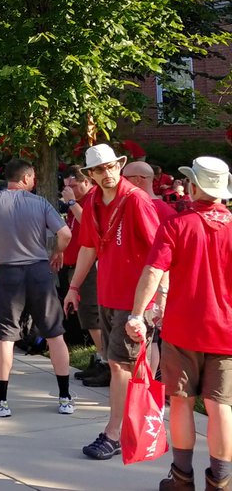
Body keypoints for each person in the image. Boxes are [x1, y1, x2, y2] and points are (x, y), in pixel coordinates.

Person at [126, 156, 232, 491]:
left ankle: (181, 479)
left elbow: (153, 271)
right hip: (227, 332)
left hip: (183, 328)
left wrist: (137, 313)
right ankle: (222, 482)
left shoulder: (177, 225)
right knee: (220, 407)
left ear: (196, 185)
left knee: (182, 402)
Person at [64, 143, 163, 461]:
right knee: (131, 365)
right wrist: (74, 286)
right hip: (107, 295)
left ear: (119, 165)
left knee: (120, 365)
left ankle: (114, 433)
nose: (107, 173)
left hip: (134, 300)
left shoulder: (136, 200)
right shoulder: (92, 200)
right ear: (90, 174)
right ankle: (148, 423)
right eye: (99, 169)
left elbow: (160, 253)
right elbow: (88, 247)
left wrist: (158, 299)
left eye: (111, 166)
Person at [0, 159, 74, 418]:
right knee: (55, 333)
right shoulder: (41, 203)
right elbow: (65, 233)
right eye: (32, 177)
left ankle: (1, 400)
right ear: (26, 178)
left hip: (6, 272)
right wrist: (57, 252)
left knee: (5, 337)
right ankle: (65, 397)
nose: (34, 181)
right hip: (38, 270)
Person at [59, 166, 107, 384]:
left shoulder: (91, 200)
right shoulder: (78, 204)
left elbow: (90, 226)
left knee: (92, 314)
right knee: (85, 317)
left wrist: (71, 203)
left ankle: (106, 363)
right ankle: (99, 359)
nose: (69, 190)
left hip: (88, 268)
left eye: (74, 185)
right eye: (67, 186)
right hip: (73, 265)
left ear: (87, 182)